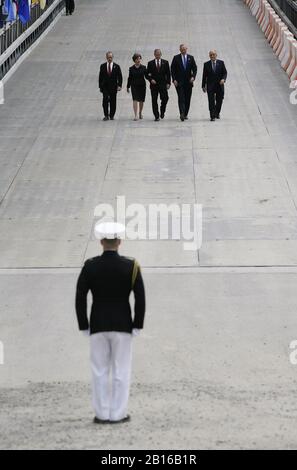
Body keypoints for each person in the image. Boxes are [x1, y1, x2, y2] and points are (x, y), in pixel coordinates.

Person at [75, 221, 146, 424]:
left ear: (101, 241)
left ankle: (101, 414)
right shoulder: (131, 266)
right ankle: (118, 414)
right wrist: (137, 324)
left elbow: (80, 295)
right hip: (123, 325)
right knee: (121, 370)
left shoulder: (90, 266)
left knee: (99, 370)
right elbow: (140, 297)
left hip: (98, 324)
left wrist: (83, 324)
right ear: (120, 242)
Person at [171, 44, 197, 121]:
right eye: (182, 49)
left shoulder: (190, 58)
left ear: (186, 49)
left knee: (187, 98)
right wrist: (174, 79)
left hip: (188, 82)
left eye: (184, 49)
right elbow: (172, 69)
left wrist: (193, 77)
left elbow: (195, 68)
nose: (183, 50)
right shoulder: (176, 58)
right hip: (179, 82)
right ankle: (182, 113)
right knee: (181, 98)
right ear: (180, 50)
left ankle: (185, 114)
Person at [202, 50, 227, 121]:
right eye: (211, 55)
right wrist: (203, 86)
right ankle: (212, 116)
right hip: (210, 86)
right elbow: (204, 76)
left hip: (219, 85)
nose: (212, 56)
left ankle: (217, 112)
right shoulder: (206, 64)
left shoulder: (221, 63)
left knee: (219, 100)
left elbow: (225, 73)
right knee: (211, 101)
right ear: (209, 56)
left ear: (216, 55)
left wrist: (223, 79)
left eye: (213, 55)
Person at [146, 49, 171, 121]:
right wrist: (151, 80)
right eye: (156, 54)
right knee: (154, 100)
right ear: (154, 55)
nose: (158, 56)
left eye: (159, 54)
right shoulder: (150, 63)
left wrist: (168, 83)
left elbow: (168, 74)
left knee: (165, 98)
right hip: (154, 85)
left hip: (163, 84)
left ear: (161, 54)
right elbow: (147, 74)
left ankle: (162, 110)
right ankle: (156, 116)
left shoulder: (165, 62)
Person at [99, 51, 123, 121]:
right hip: (105, 86)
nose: (110, 58)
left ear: (112, 57)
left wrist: (119, 85)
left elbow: (120, 77)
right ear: (106, 57)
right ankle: (106, 115)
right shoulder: (102, 66)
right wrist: (100, 86)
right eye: (108, 57)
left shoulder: (117, 66)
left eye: (111, 57)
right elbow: (100, 77)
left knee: (113, 101)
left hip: (113, 86)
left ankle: (112, 115)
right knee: (105, 100)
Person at [127, 53, 147, 121]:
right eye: (137, 59)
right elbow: (129, 78)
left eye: (139, 58)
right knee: (135, 99)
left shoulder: (144, 67)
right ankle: (135, 115)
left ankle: (140, 112)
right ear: (134, 60)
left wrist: (151, 79)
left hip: (142, 85)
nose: (138, 60)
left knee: (141, 100)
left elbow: (147, 76)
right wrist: (128, 86)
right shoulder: (131, 68)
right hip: (134, 86)